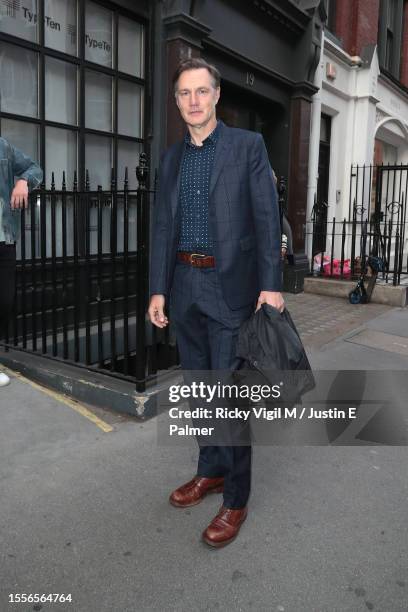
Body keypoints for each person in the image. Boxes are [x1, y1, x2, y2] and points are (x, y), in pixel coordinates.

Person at [148, 58, 284, 548]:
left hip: (231, 291)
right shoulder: (171, 159)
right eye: (184, 93)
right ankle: (211, 471)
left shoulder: (248, 147)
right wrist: (159, 288)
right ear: (178, 101)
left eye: (201, 91)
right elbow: (163, 227)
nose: (193, 101)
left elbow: (268, 219)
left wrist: (271, 284)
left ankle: (237, 497)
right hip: (184, 284)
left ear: (217, 95)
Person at [0, 137, 43, 387]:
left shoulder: (3, 147)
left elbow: (35, 168)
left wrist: (24, 181)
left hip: (4, 238)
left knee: (4, 300)